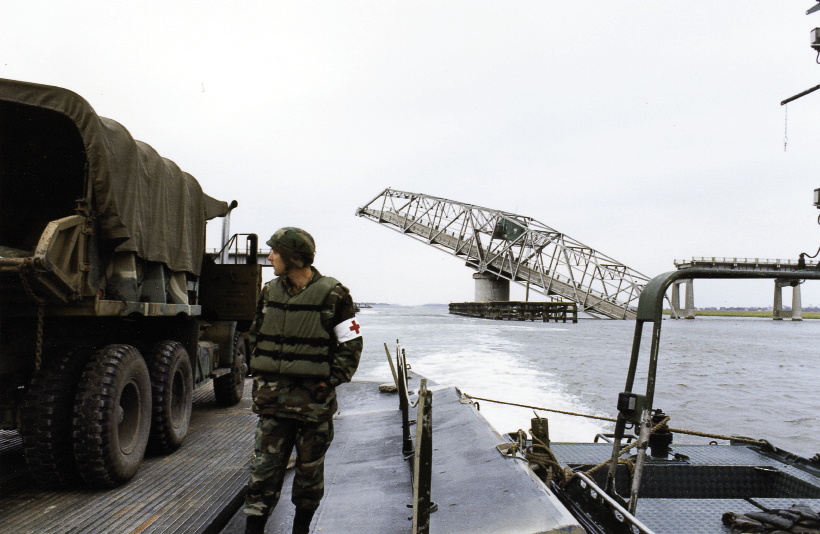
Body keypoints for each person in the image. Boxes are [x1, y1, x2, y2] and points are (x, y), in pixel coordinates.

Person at [243, 227, 363, 534]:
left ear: (292, 257)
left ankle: (301, 530)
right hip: (272, 403)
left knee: (309, 476)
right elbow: (256, 332)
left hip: (313, 406)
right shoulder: (270, 291)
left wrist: (332, 380)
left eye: (275, 252)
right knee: (262, 474)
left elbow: (351, 344)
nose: (270, 256)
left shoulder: (335, 294)